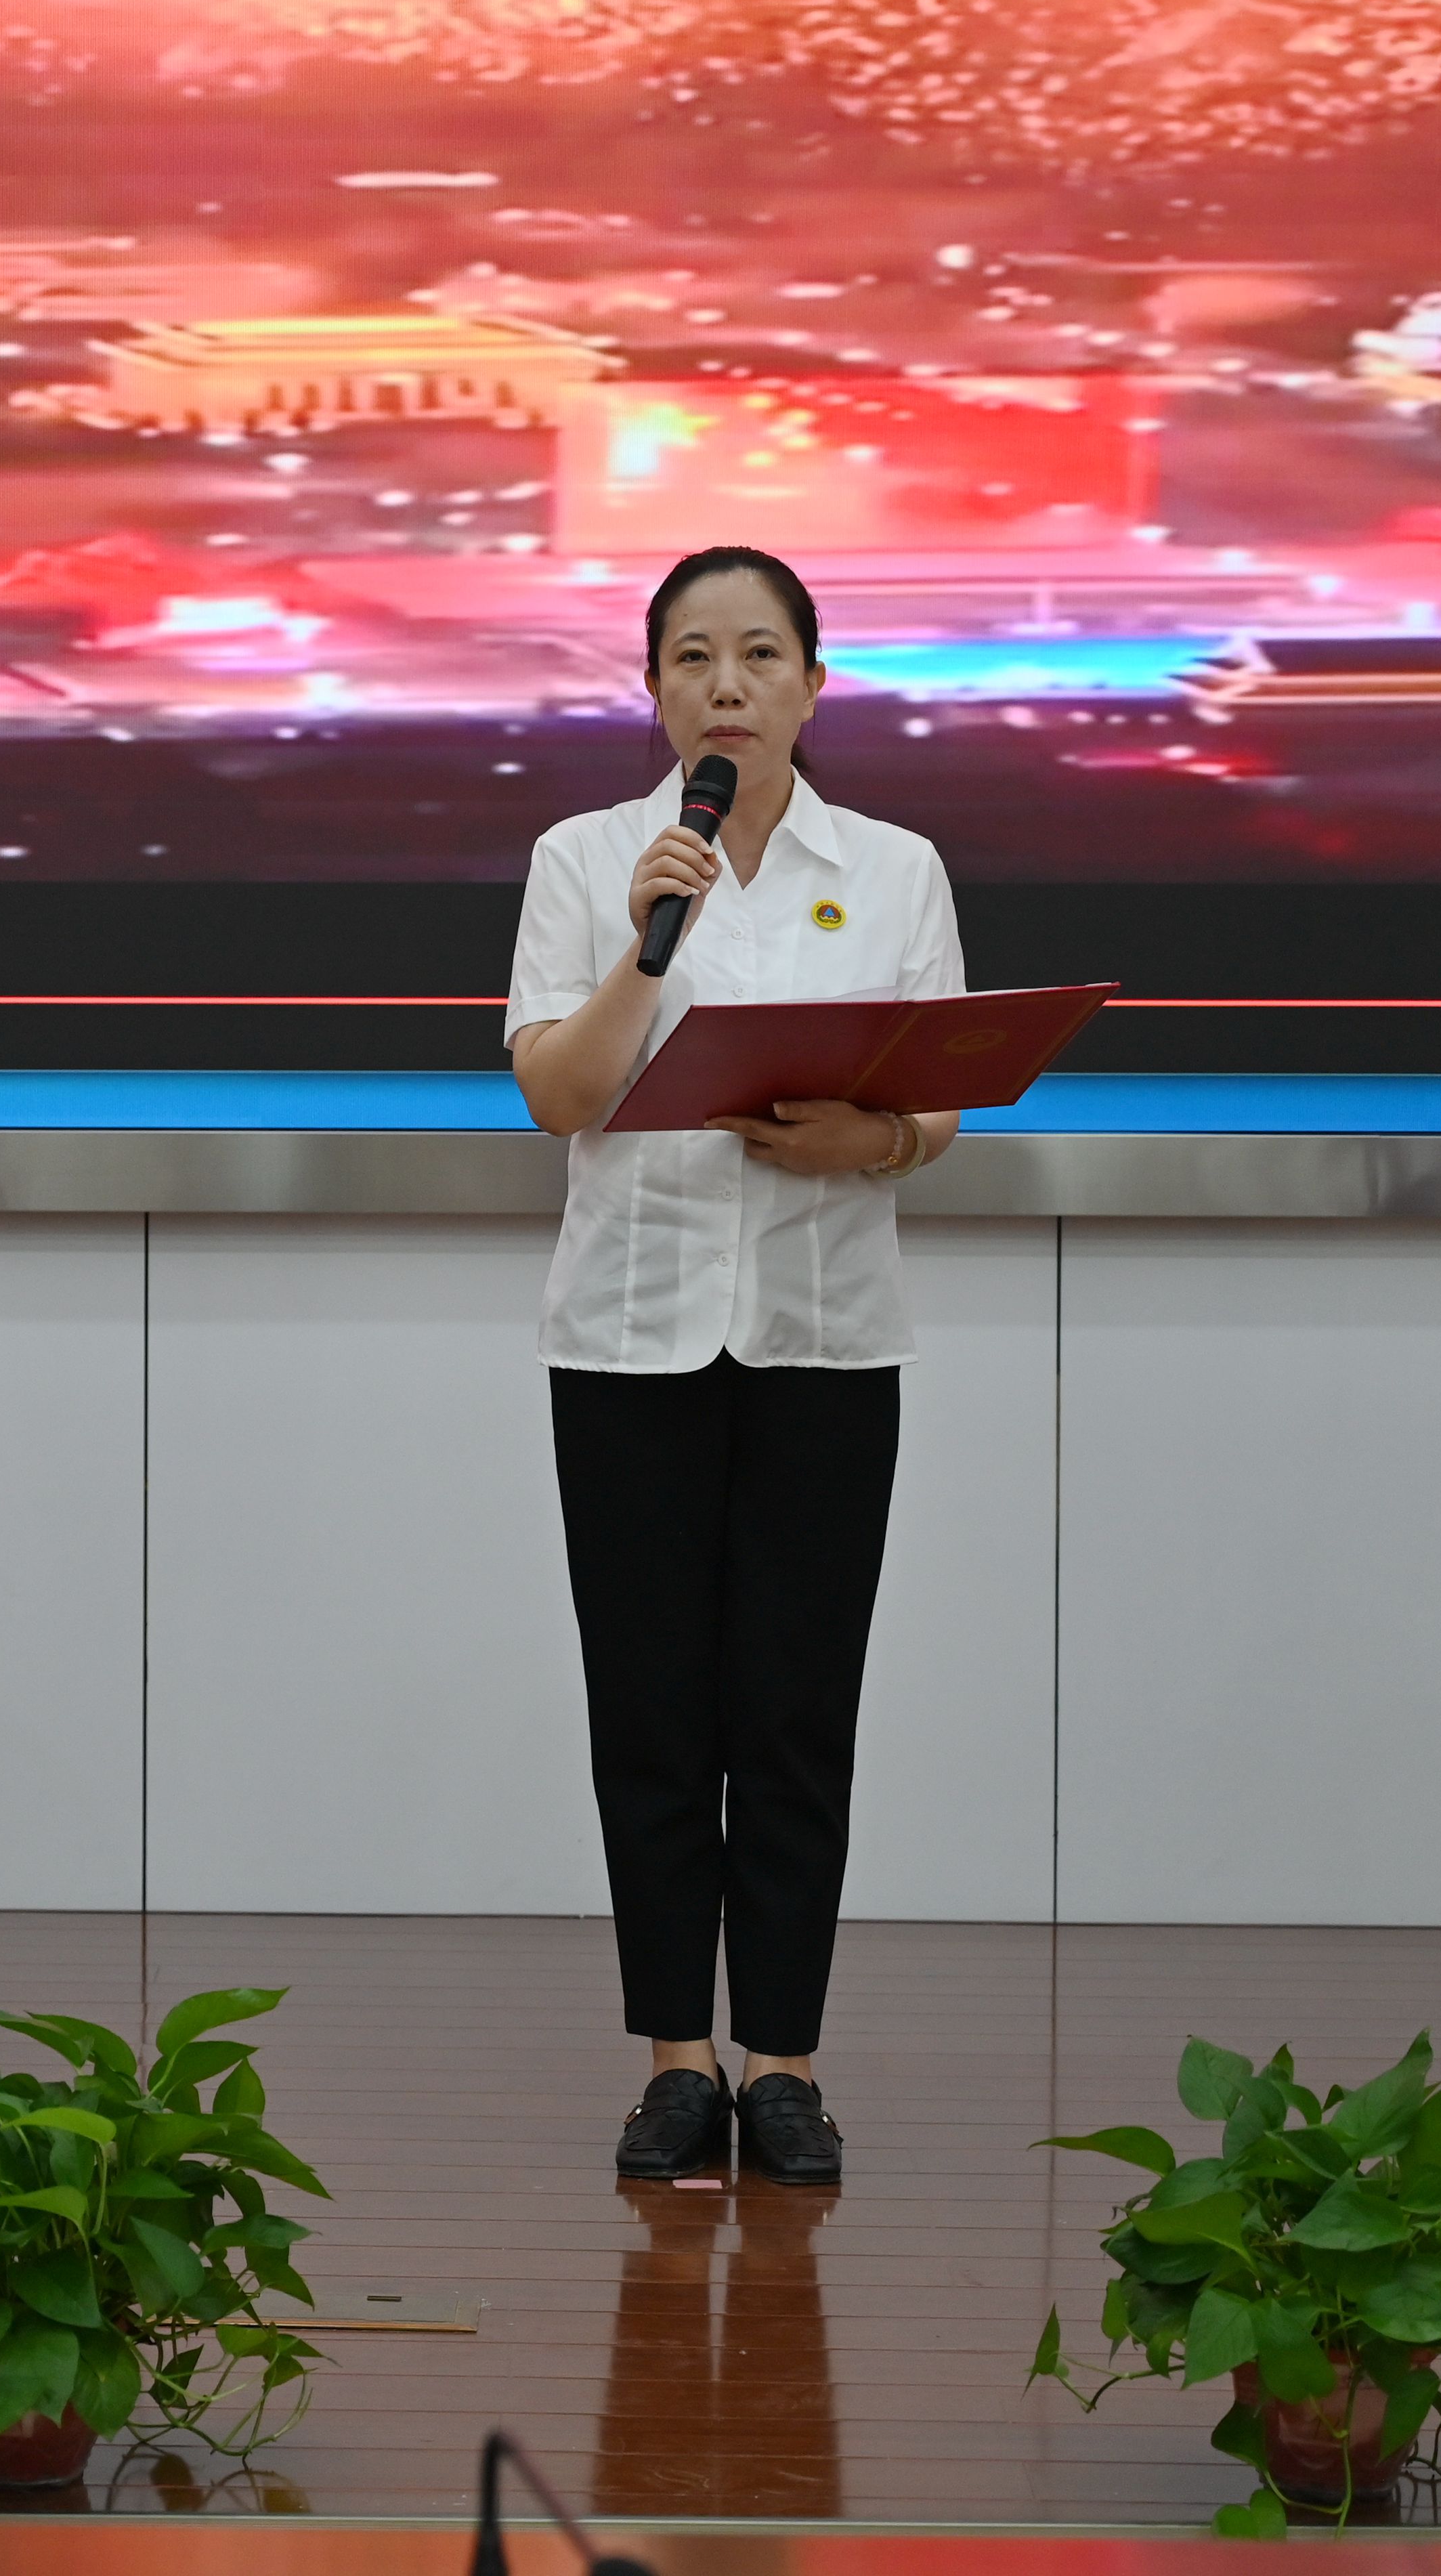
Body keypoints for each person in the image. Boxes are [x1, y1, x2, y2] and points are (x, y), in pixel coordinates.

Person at [504, 544, 964, 2188]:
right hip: (629, 1338)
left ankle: (783, 2061)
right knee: (650, 1712)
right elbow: (559, 1096)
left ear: (813, 685)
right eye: (693, 655)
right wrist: (650, 947)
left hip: (824, 1338)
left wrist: (876, 1138)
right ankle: (673, 2061)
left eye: (760, 654)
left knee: (793, 1709)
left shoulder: (896, 867)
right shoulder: (587, 860)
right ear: (653, 690)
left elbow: (938, 1097)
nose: (726, 684)